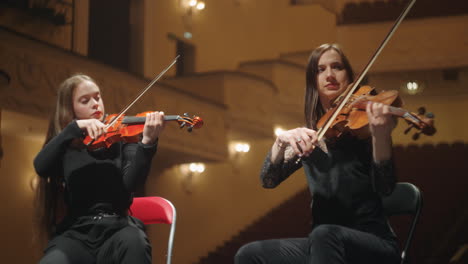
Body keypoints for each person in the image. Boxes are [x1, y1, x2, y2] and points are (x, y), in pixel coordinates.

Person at [235, 43, 401, 264]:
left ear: (350, 77)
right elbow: (268, 179)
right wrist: (280, 142)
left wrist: (380, 136)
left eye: (337, 67)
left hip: (373, 245)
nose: (329, 75)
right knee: (249, 254)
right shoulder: (311, 138)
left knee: (324, 234)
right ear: (313, 80)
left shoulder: (365, 131)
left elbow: (386, 188)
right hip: (324, 246)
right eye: (320, 69)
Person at [33, 74, 165, 263]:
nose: (95, 104)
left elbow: (131, 183)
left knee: (136, 243)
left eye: (97, 97)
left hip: (118, 230)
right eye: (85, 100)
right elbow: (41, 167)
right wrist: (73, 129)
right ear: (70, 109)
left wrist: (147, 144)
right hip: (76, 234)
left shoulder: (121, 137)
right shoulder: (66, 145)